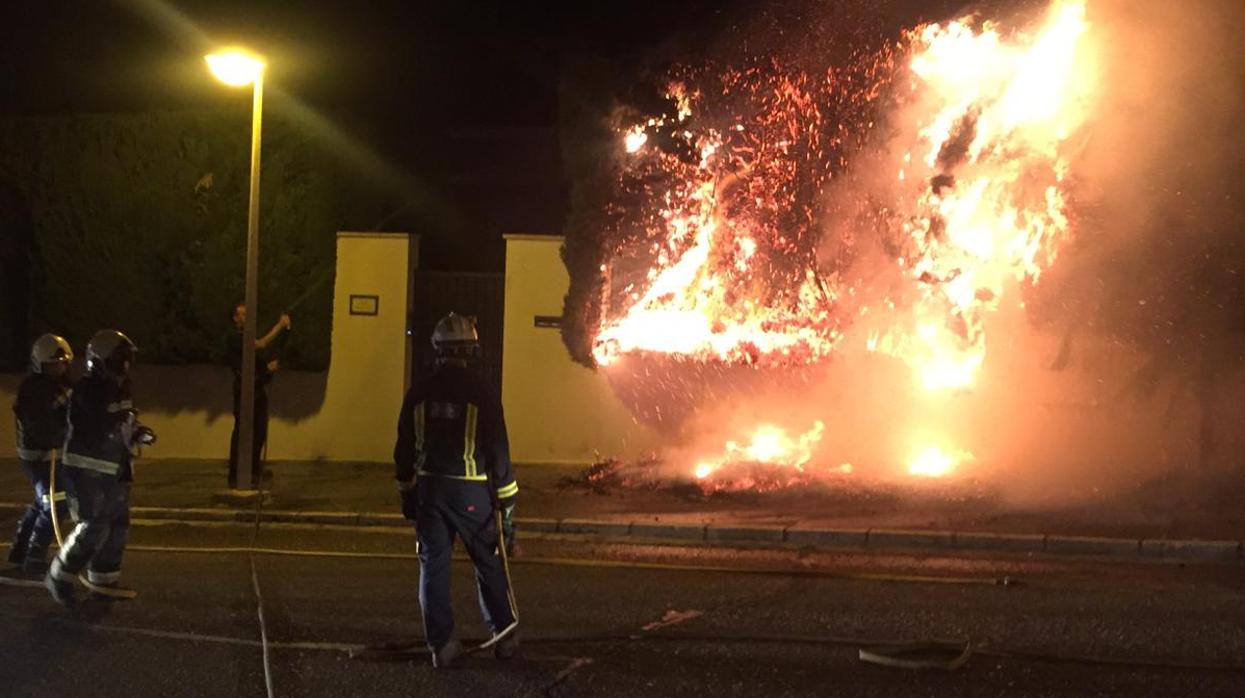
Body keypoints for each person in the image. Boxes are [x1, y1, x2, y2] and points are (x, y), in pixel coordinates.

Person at [394, 312, 520, 668]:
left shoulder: (418, 392)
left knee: (433, 566)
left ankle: (442, 645)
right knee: (488, 562)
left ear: (436, 349)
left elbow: (403, 450)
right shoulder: (482, 394)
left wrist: (407, 493)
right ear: (472, 350)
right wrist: (508, 507)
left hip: (430, 491)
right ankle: (504, 634)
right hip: (471, 494)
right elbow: (498, 452)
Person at [46, 330, 156, 604]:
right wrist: (119, 421)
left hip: (115, 467)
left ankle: (104, 579)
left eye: (127, 360)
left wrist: (138, 432)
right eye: (121, 360)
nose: (126, 366)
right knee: (93, 525)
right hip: (88, 470)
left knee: (118, 524)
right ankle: (59, 575)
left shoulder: (121, 386)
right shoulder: (88, 389)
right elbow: (95, 423)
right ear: (103, 361)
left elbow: (124, 422)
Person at [8, 334, 73, 575]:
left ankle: (19, 552)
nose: (58, 367)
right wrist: (58, 438)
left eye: (62, 363)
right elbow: (38, 424)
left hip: (52, 454)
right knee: (56, 504)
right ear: (40, 364)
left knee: (41, 503)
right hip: (38, 456)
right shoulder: (33, 390)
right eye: (52, 364)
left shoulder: (64, 385)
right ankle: (34, 557)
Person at [227, 303, 290, 489]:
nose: (247, 317)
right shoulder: (236, 338)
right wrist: (279, 325)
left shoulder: (246, 337)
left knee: (259, 432)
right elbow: (259, 345)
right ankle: (238, 474)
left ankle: (253, 470)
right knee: (243, 433)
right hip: (246, 391)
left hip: (256, 390)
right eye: (243, 314)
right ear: (235, 319)